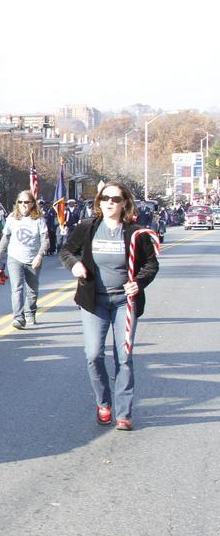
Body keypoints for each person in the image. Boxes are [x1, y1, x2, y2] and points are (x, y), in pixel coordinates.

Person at [59, 181, 159, 431]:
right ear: (99, 202)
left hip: (125, 302)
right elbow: (67, 250)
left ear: (125, 202)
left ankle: (124, 413)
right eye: (105, 198)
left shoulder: (135, 232)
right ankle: (103, 402)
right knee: (93, 355)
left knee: (124, 358)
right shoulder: (88, 227)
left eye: (115, 198)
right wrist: (75, 265)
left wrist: (139, 282)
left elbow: (150, 264)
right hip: (94, 301)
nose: (110, 203)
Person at [0, 190, 49, 330]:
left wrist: (39, 255)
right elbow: (6, 237)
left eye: (27, 202)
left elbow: (45, 240)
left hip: (33, 259)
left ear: (32, 204)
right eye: (20, 202)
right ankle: (18, 317)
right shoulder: (12, 218)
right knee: (17, 288)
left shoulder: (39, 219)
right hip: (15, 258)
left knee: (32, 290)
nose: (23, 205)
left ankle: (30, 312)